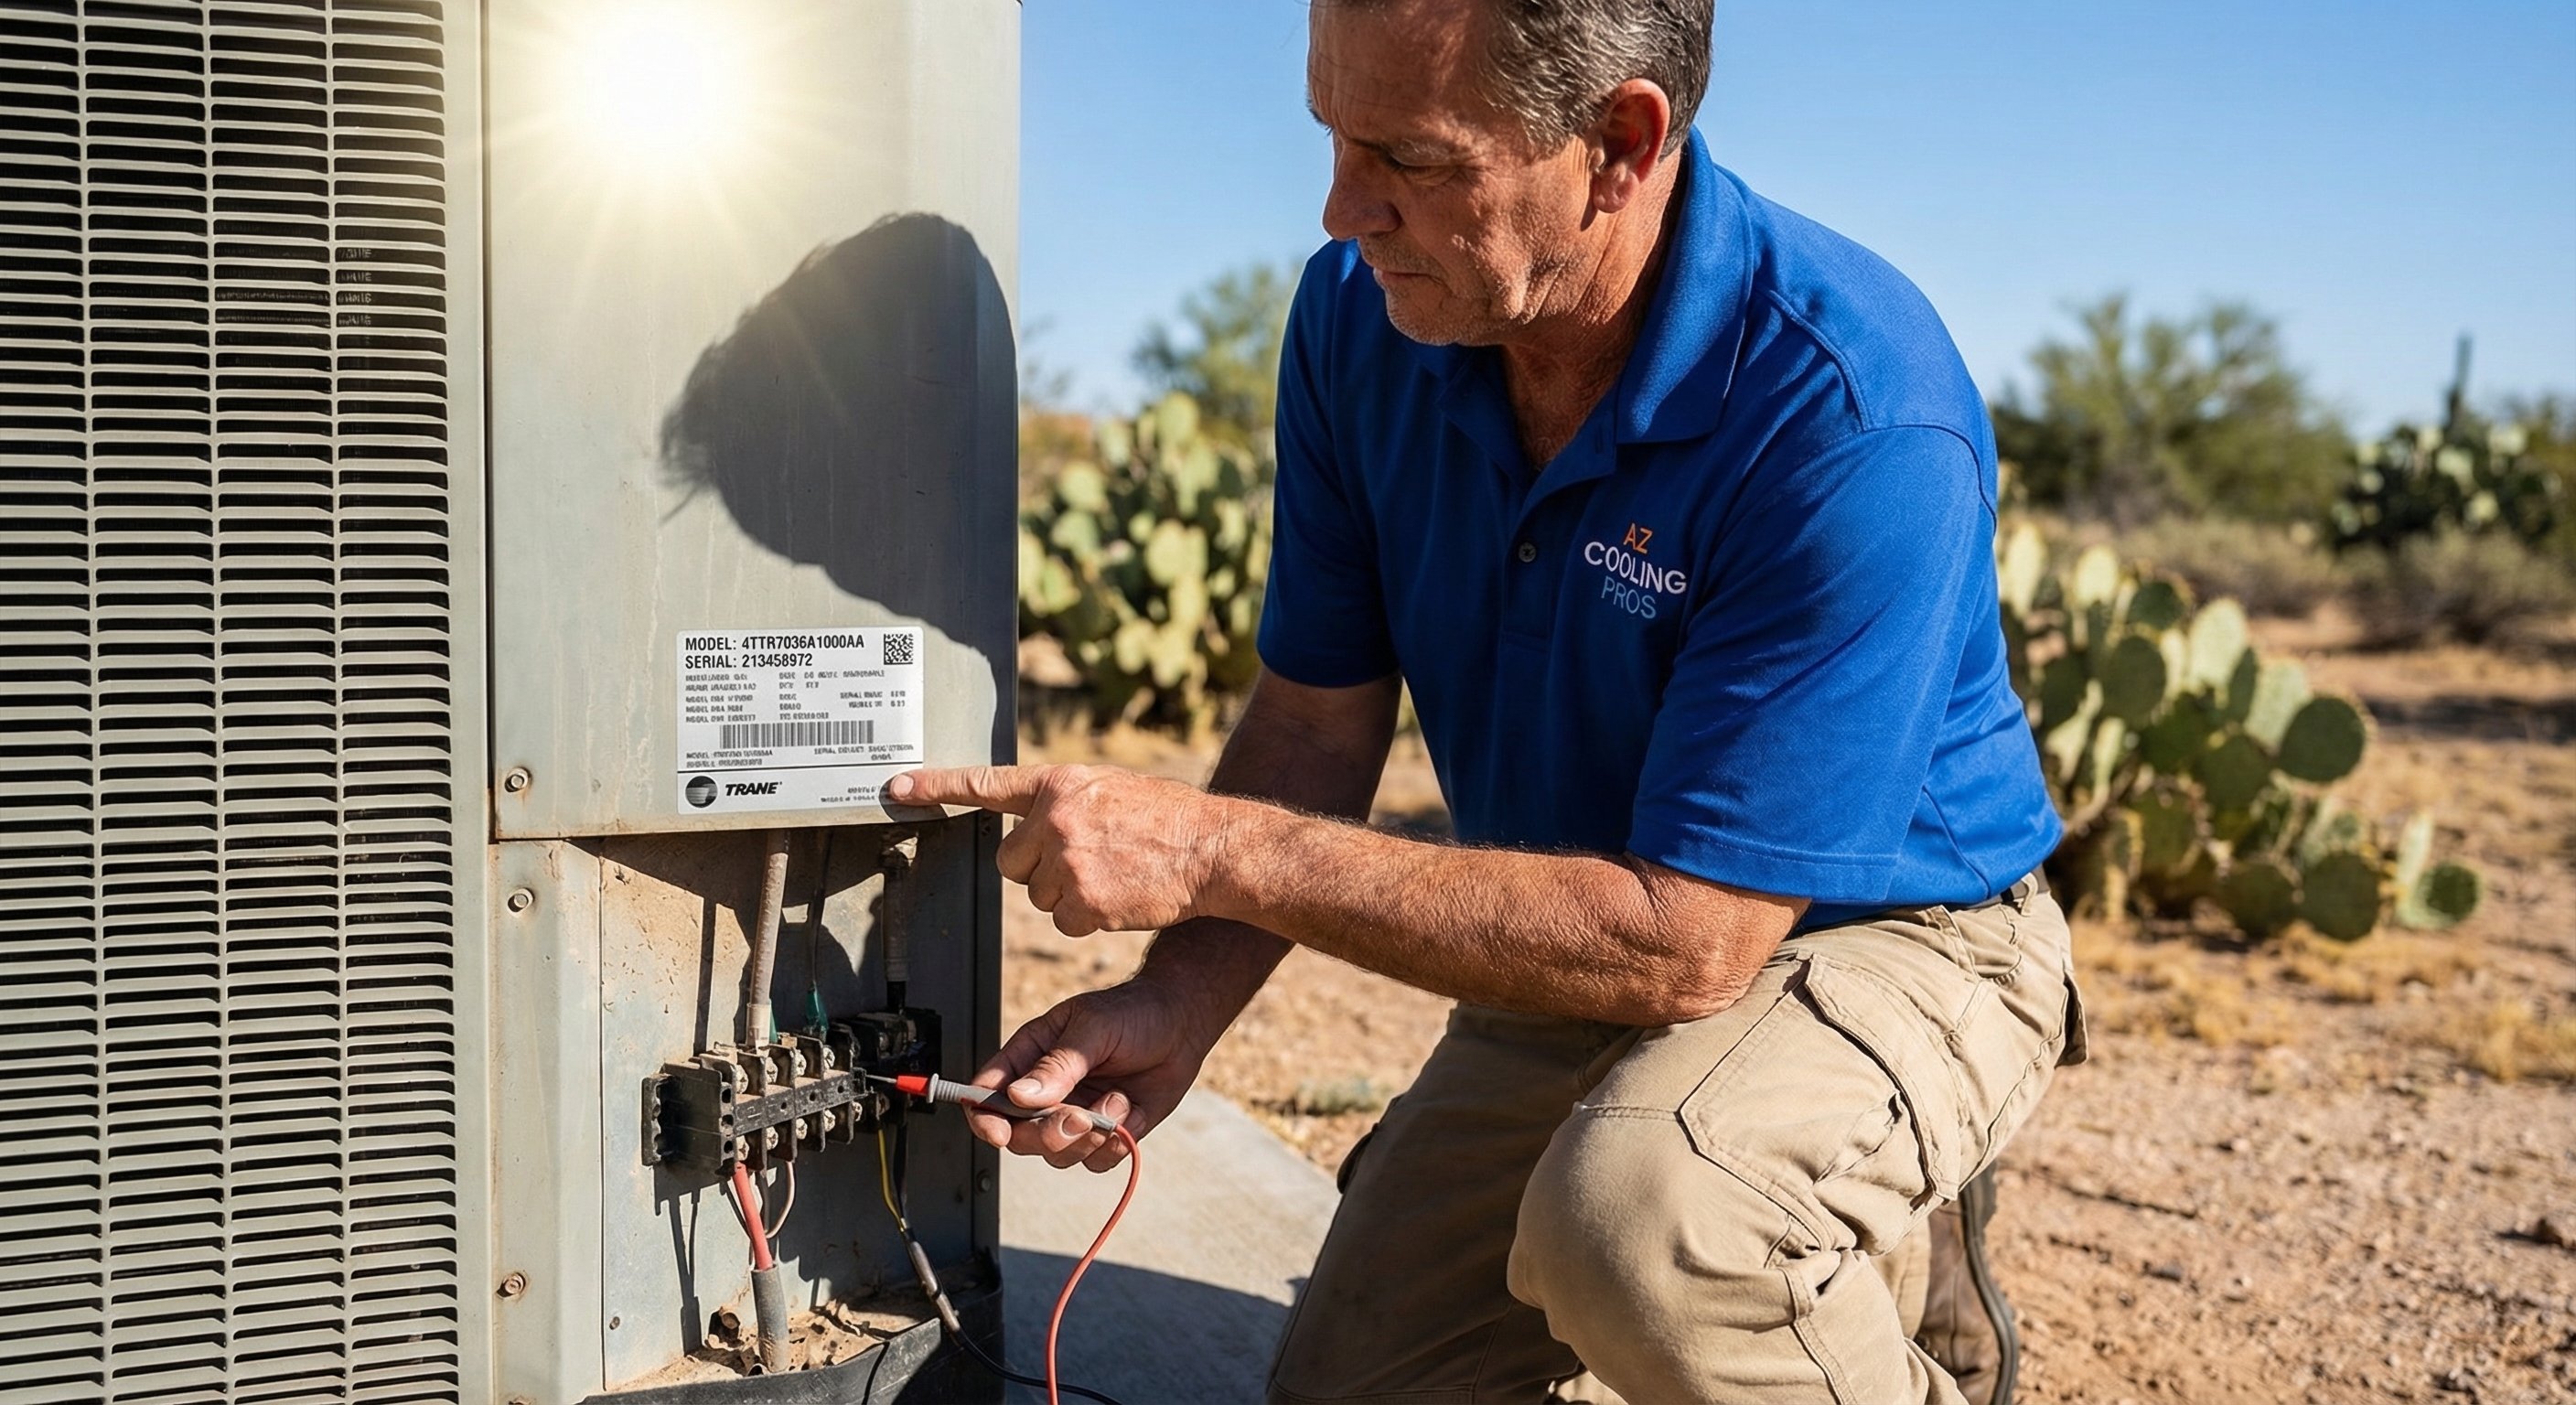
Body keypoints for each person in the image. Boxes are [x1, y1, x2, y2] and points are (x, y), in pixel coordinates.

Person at [888, 1, 2085, 1400]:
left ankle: (1825, 1177)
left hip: (1885, 928)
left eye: (1411, 157)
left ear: (1620, 143)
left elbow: (1691, 945)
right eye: (1334, 138)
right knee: (1357, 1388)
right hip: (1578, 926)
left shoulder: (1851, 409)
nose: (1343, 211)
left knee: (1651, 1232)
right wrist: (1178, 1000)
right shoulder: (1363, 319)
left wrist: (1211, 849)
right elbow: (1316, 721)